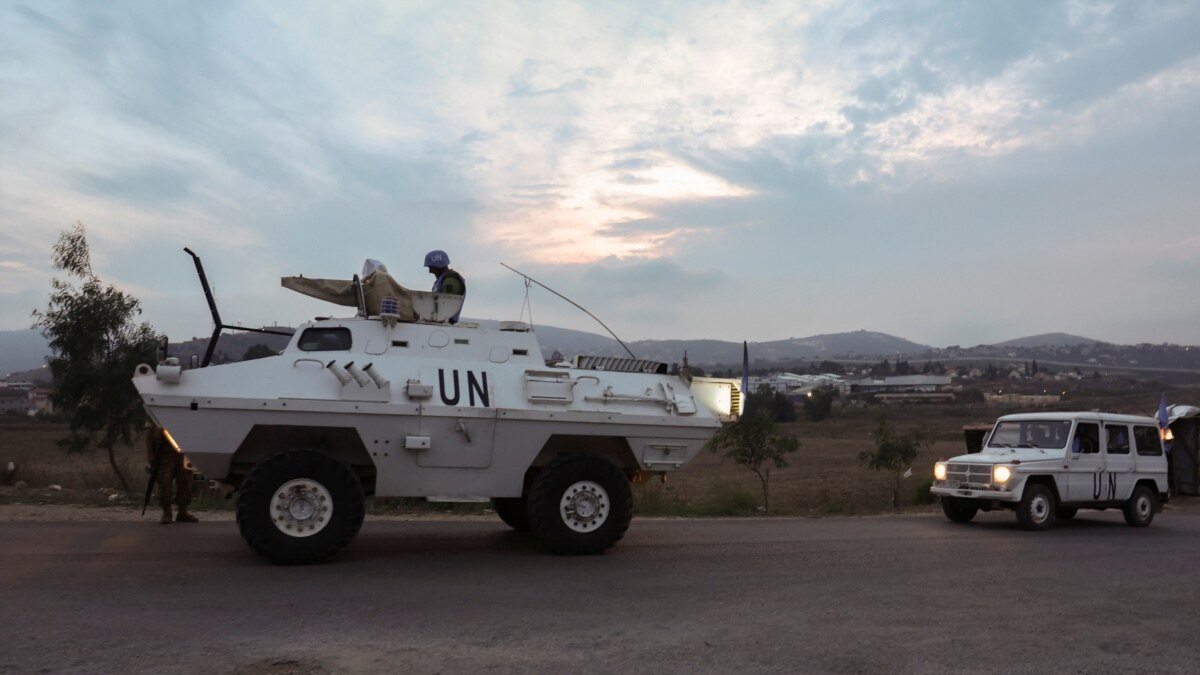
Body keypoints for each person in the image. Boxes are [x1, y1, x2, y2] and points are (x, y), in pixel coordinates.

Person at [145, 421, 198, 524]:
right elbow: (150, 432)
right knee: (164, 482)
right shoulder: (157, 408)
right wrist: (150, 453)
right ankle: (166, 512)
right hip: (164, 452)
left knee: (185, 482)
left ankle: (183, 511)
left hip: (184, 450)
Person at [423, 249, 465, 324]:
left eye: (431, 267)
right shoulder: (442, 279)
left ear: (438, 265)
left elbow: (450, 304)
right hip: (440, 323)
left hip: (444, 324)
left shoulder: (450, 280)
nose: (430, 271)